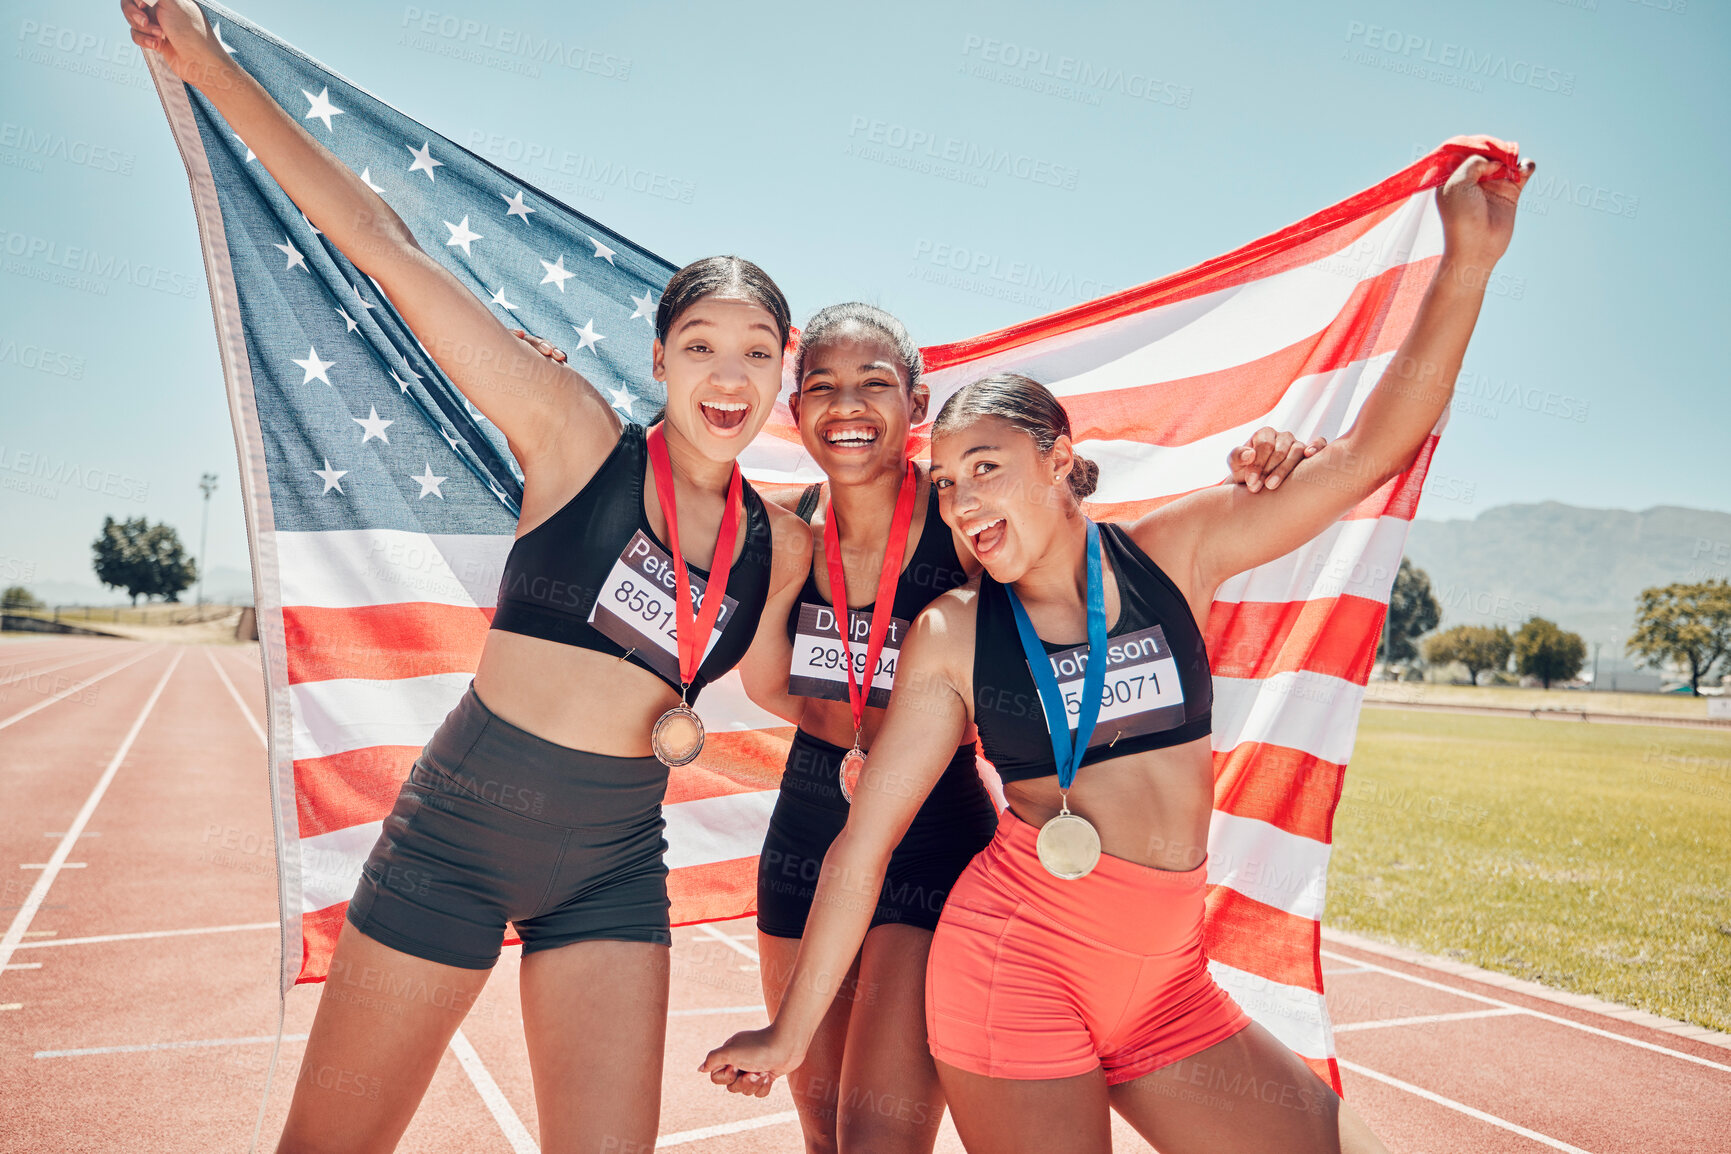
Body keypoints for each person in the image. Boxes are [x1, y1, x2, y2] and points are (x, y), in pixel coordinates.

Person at [702, 152, 1534, 1153]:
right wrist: (791, 1030)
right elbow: (863, 842)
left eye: (988, 469)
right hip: (1016, 957)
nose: (965, 500)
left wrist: (1469, 264)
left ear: (1059, 462)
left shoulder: (1176, 554)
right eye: (952, 481)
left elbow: (1370, 452)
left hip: (1166, 979)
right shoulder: (954, 632)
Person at [120, 3, 812, 1152]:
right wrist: (213, 69)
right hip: (454, 837)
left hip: (613, 865)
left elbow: (803, 692)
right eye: (701, 346)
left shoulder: (782, 544)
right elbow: (384, 244)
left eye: (755, 351)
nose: (727, 375)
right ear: (658, 359)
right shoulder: (574, 432)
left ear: (783, 372)